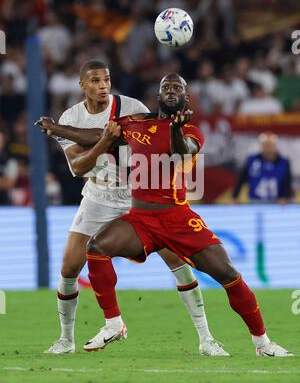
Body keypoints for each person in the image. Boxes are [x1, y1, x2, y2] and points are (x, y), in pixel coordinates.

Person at [49, 72, 292, 357]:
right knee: (97, 247)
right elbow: (97, 137)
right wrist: (59, 129)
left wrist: (176, 128)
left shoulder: (191, 131)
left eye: (178, 87)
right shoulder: (137, 123)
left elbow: (181, 152)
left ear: (186, 98)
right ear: (159, 95)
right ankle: (114, 323)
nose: (171, 90)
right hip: (140, 219)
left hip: (178, 219)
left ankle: (262, 343)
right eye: (166, 87)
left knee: (228, 275)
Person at [36, 60, 228, 356]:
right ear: (83, 86)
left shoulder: (130, 106)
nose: (103, 86)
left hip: (135, 196)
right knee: (69, 267)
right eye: (96, 81)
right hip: (98, 196)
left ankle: (207, 338)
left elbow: (157, 137)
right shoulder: (70, 117)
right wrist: (103, 142)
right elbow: (77, 167)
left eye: (107, 80)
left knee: (177, 263)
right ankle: (66, 340)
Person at [232, 132, 293, 204]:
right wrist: (234, 197)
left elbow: (287, 182)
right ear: (261, 146)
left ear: (275, 146)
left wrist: (286, 197)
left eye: (270, 145)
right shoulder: (252, 160)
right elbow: (241, 179)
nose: (268, 148)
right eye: (266, 145)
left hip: (277, 202)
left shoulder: (284, 162)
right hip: (255, 201)